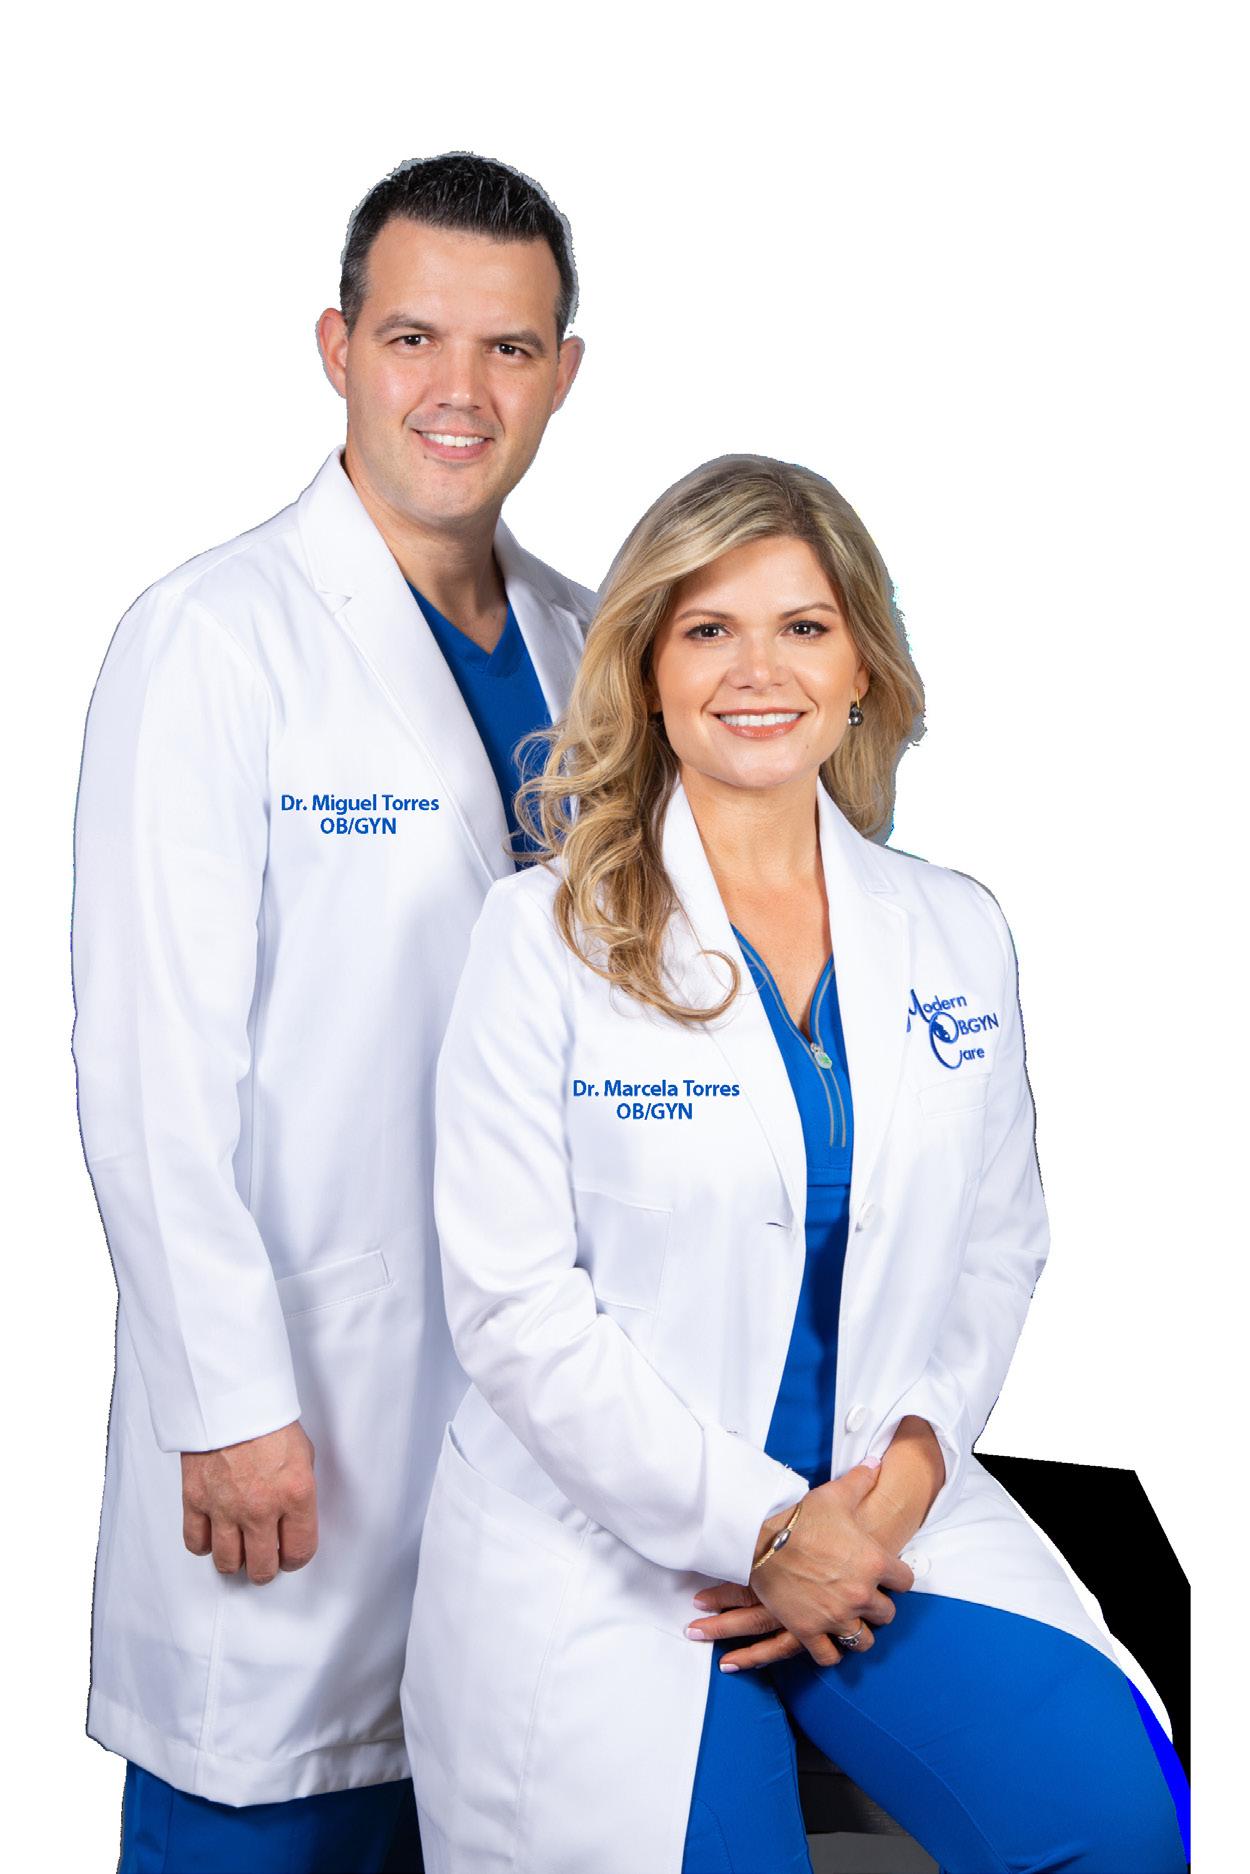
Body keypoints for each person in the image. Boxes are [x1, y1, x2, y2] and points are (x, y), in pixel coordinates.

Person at [401, 455, 1189, 1873]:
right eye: (708, 628)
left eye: (803, 627)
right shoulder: (540, 941)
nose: (756, 670)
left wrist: (894, 1486)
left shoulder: (954, 929)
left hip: (883, 1512)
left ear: (860, 668)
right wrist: (765, 1527)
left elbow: (1000, 1242)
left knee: (1117, 1818)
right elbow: (514, 1307)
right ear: (646, 669)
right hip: (614, 1541)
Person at [71, 151, 592, 1874]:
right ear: (335, 347)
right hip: (306, 1398)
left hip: (534, 1424)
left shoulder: (590, 640)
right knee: (272, 1812)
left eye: (508, 348)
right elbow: (148, 1068)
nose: (460, 392)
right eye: (413, 338)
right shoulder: (214, 640)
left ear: (563, 373)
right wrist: (224, 1397)